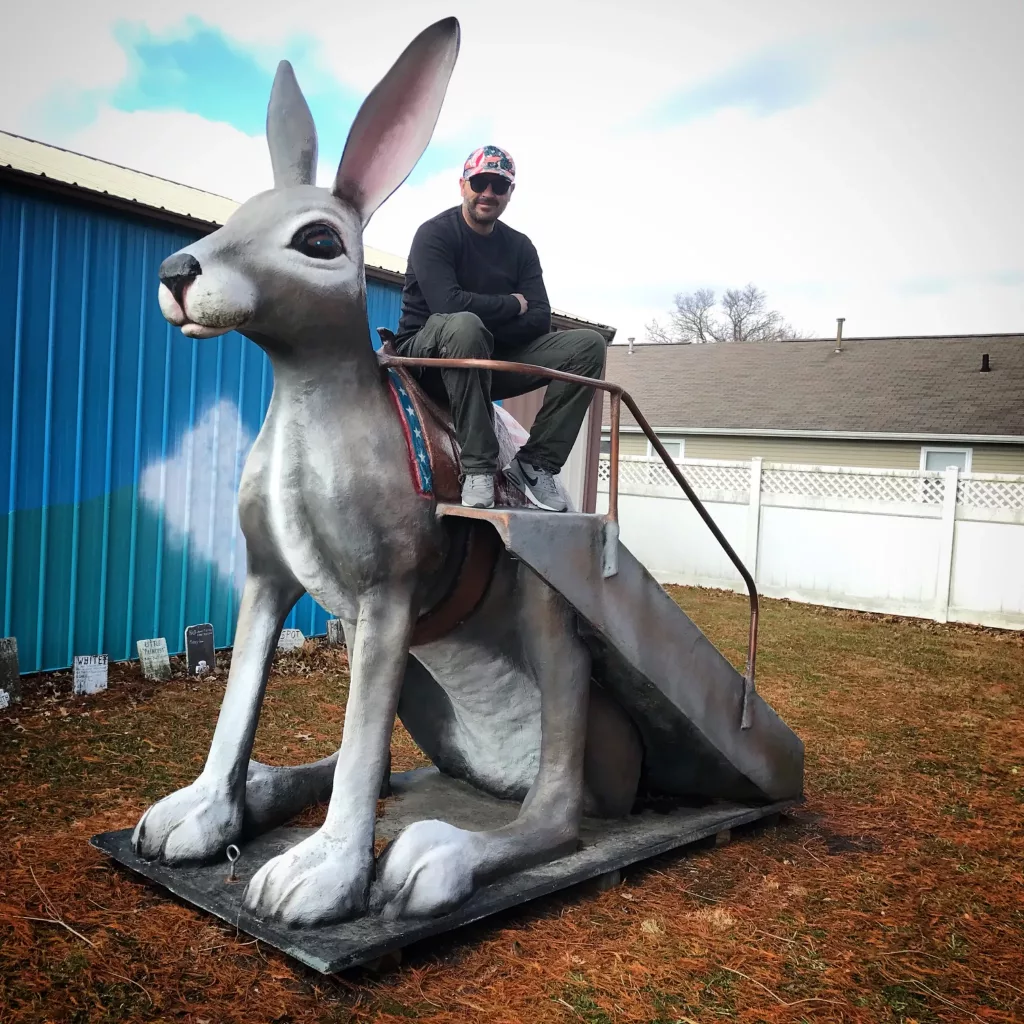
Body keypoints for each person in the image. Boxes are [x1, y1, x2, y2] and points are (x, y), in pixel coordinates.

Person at [394, 145, 606, 511]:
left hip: (487, 359)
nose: (488, 193)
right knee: (464, 326)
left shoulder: (521, 247)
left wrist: (485, 326)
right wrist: (511, 304)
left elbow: (540, 317)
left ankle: (536, 463)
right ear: (463, 185)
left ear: (510, 193)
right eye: (480, 182)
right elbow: (448, 306)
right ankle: (478, 467)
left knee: (588, 346)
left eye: (499, 185)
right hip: (426, 360)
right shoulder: (434, 235)